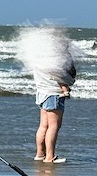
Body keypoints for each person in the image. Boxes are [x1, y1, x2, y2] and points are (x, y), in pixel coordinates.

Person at [19, 25, 79, 163]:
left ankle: (40, 154)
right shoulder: (53, 62)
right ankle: (50, 156)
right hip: (53, 94)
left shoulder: (37, 59)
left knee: (43, 126)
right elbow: (61, 78)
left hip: (42, 93)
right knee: (54, 126)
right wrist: (65, 89)